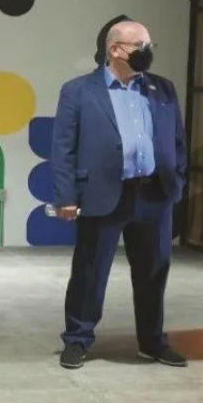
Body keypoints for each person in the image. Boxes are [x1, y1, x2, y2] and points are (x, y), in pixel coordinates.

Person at [51, 20, 189, 370]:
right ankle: (77, 339)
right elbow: (63, 149)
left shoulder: (162, 88)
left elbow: (177, 140)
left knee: (154, 273)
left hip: (154, 194)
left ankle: (152, 341)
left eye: (149, 45)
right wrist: (66, 197)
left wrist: (177, 182)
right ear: (115, 50)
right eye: (140, 46)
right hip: (103, 194)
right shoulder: (79, 90)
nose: (148, 52)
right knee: (90, 272)